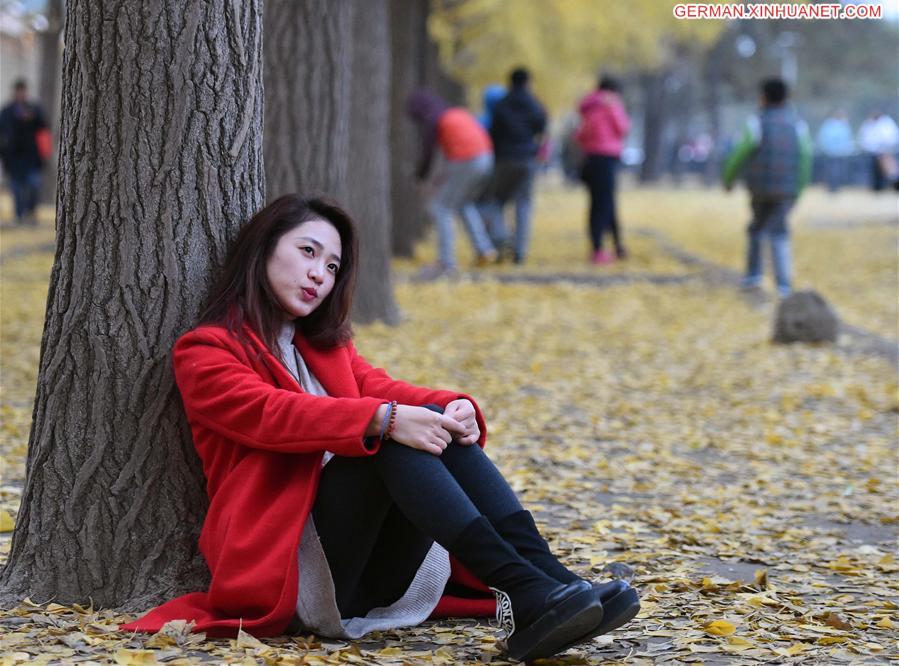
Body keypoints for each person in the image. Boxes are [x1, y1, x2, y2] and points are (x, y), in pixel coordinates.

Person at [121, 195, 640, 661]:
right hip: (288, 566)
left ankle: (551, 580)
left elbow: (382, 386)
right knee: (390, 438)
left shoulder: (324, 347)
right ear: (262, 249)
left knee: (432, 430)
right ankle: (523, 589)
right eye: (306, 252)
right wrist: (383, 418)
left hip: (368, 563)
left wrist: (451, 406)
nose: (319, 274)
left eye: (331, 265)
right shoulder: (207, 350)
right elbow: (270, 413)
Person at [723, 78, 812, 298]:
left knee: (757, 228)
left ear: (763, 97)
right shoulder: (798, 126)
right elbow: (805, 158)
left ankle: (754, 274)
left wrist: (729, 178)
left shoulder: (756, 124)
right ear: (786, 98)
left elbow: (740, 153)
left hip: (760, 188)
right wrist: (799, 188)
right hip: (785, 191)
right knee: (779, 232)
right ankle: (783, 284)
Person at [406, 89, 497, 277]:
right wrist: (443, 177)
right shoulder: (455, 113)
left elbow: (428, 154)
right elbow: (456, 149)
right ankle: (484, 250)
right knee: (463, 204)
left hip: (467, 160)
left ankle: (446, 262)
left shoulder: (433, 120)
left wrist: (420, 177)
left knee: (441, 208)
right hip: (485, 158)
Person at [478, 67, 548, 265]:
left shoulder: (501, 105)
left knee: (495, 201)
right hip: (526, 159)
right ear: (527, 82)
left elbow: (493, 132)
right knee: (523, 205)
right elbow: (542, 127)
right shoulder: (534, 104)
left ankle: (501, 238)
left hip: (504, 160)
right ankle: (520, 251)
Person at [576, 75, 631, 265]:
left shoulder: (589, 109)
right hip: (606, 159)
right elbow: (623, 128)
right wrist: (614, 108)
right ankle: (599, 250)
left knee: (601, 203)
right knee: (605, 204)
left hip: (591, 159)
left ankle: (615, 245)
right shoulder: (611, 105)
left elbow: (580, 135)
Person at [0, 79, 48, 225]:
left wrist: (32, 117)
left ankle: (31, 212)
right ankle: (19, 216)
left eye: (23, 91)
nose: (21, 94)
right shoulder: (7, 111)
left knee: (34, 185)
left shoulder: (33, 108)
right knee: (17, 188)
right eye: (18, 91)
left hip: (32, 156)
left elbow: (44, 126)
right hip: (13, 157)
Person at [857, 111, 899, 192]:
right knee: (883, 158)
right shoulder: (867, 124)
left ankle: (893, 177)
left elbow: (892, 139)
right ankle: (893, 177)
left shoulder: (887, 123)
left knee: (885, 157)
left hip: (886, 150)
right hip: (871, 151)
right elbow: (864, 139)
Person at [815, 110, 854, 192]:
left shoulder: (843, 124)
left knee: (837, 171)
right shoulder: (829, 124)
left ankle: (836, 187)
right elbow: (823, 138)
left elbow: (847, 139)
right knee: (832, 171)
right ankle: (831, 187)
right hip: (831, 152)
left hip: (839, 153)